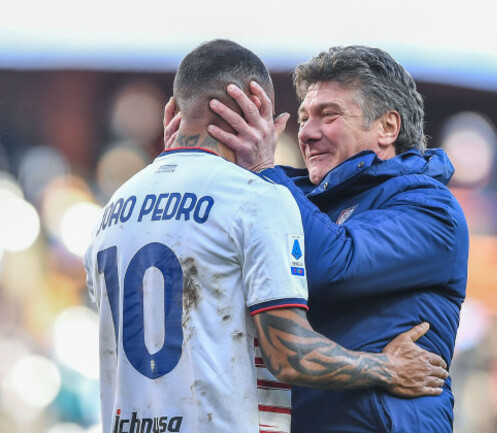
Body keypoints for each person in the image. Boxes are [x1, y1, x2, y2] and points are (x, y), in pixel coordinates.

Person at [85, 40, 448, 433]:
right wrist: (387, 369)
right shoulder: (258, 198)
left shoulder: (112, 209)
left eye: (327, 115)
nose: (305, 133)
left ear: (172, 111)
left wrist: (266, 171)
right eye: (303, 117)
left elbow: (335, 263)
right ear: (257, 109)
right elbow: (287, 353)